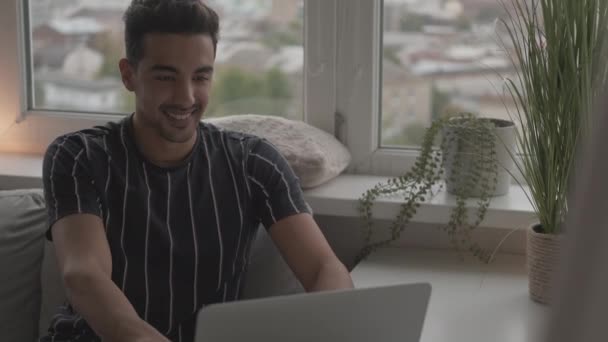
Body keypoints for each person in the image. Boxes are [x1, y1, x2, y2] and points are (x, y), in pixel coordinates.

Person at [39, 1, 353, 341]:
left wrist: (334, 327)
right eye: (166, 76)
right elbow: (84, 276)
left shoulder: (254, 163)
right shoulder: (78, 156)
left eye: (200, 76)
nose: (186, 96)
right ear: (129, 74)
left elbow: (324, 268)